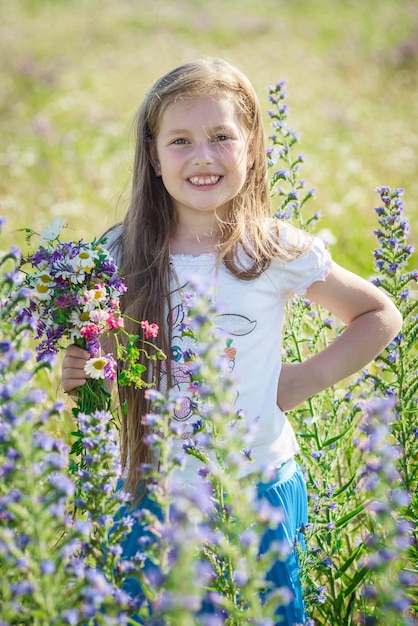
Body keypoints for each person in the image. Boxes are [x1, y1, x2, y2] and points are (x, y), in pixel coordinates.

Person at [61, 57, 402, 624]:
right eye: (180, 140)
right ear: (153, 154)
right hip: (154, 490)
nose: (202, 157)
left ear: (252, 147)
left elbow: (378, 314)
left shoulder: (271, 250)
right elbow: (108, 360)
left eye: (222, 137)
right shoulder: (118, 255)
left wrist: (298, 380)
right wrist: (84, 370)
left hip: (257, 488)